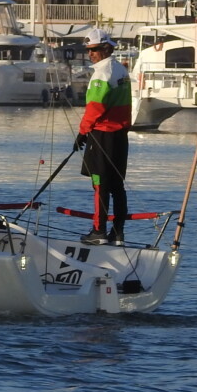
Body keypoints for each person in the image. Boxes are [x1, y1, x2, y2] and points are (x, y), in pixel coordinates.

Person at [75, 27, 131, 245]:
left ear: (106, 48)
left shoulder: (101, 74)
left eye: (95, 49)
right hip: (120, 136)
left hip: (103, 135)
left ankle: (98, 232)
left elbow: (95, 108)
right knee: (117, 186)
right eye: (89, 49)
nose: (91, 54)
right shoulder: (120, 70)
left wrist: (82, 133)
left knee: (100, 185)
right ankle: (117, 233)